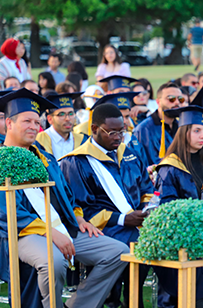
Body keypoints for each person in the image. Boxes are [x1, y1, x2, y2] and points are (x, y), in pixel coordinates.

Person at [0, 89, 129, 308]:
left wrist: (78, 218)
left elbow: (67, 195)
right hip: (21, 232)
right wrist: (50, 233)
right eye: (27, 121)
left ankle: (79, 305)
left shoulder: (45, 158)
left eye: (36, 121)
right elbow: (6, 212)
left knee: (118, 252)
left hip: (63, 226)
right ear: (9, 124)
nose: (34, 126)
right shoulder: (2, 160)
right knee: (54, 261)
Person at [59, 103, 163, 307]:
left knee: (163, 240)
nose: (118, 137)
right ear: (95, 129)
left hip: (137, 222)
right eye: (112, 132)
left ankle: (145, 298)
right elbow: (82, 209)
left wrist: (146, 209)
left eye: (122, 131)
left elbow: (145, 188)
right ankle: (120, 299)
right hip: (104, 228)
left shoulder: (130, 153)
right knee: (138, 244)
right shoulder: (77, 162)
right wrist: (123, 218)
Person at [154, 106, 203, 306]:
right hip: (180, 235)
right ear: (184, 132)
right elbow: (167, 208)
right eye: (197, 130)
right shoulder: (170, 167)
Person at [133, 82, 184, 165]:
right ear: (158, 102)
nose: (177, 103)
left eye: (180, 99)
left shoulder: (181, 127)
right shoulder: (144, 130)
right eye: (171, 98)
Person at [35, 92, 88, 159]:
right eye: (61, 114)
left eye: (71, 113)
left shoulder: (82, 140)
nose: (68, 119)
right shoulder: (39, 141)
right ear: (50, 119)